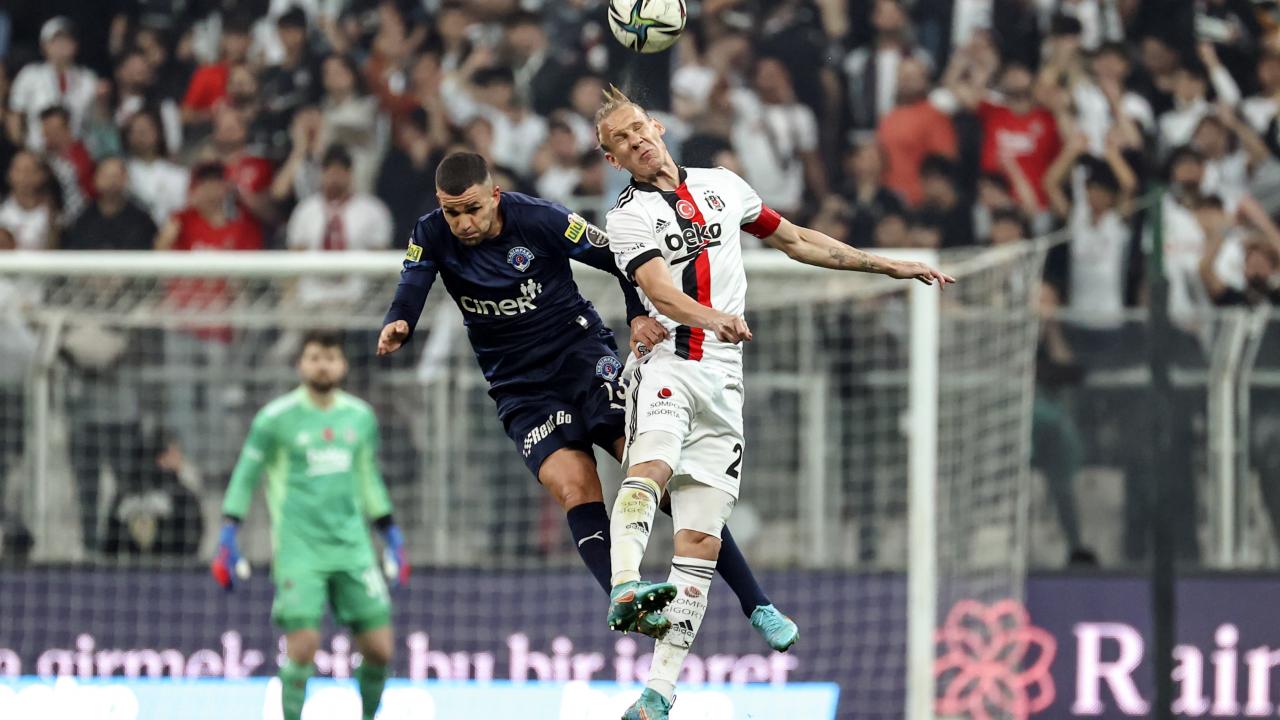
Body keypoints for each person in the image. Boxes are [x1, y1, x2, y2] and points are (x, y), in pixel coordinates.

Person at [594, 85, 952, 720]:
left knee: (700, 541)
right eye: (620, 140)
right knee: (651, 467)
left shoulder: (723, 186)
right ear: (613, 159)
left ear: (658, 127)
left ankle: (659, 693)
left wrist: (887, 267)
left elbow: (796, 240)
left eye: (638, 127)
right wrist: (714, 317)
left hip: (725, 382)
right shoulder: (627, 215)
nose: (635, 140)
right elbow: (659, 293)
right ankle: (625, 585)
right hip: (670, 361)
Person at [376, 152, 797, 652]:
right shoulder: (430, 233)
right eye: (452, 212)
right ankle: (624, 596)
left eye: (472, 209)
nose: (463, 223)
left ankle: (757, 603)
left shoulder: (542, 218)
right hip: (517, 386)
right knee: (573, 485)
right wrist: (400, 320)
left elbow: (620, 257)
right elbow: (413, 281)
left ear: (494, 195)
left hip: (582, 358)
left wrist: (636, 314)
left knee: (658, 480)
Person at [212, 330, 404, 720]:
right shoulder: (275, 419)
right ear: (300, 364)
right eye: (315, 357)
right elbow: (246, 475)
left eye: (330, 358)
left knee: (380, 649)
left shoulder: (360, 418)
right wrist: (229, 531)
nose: (322, 366)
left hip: (352, 547)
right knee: (302, 648)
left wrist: (390, 533)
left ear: (343, 365)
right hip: (299, 550)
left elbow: (367, 478)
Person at [62, 157, 157, 250]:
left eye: (116, 176)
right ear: (95, 179)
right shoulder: (83, 220)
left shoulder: (141, 220)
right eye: (106, 176)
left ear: (126, 179)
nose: (112, 181)